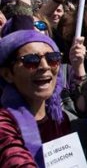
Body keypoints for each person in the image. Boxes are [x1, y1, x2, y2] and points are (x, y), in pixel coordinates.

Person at [0, 30, 70, 166]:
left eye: (52, 58)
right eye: (31, 60)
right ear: (7, 74)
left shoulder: (60, 120)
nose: (44, 66)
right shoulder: (4, 124)